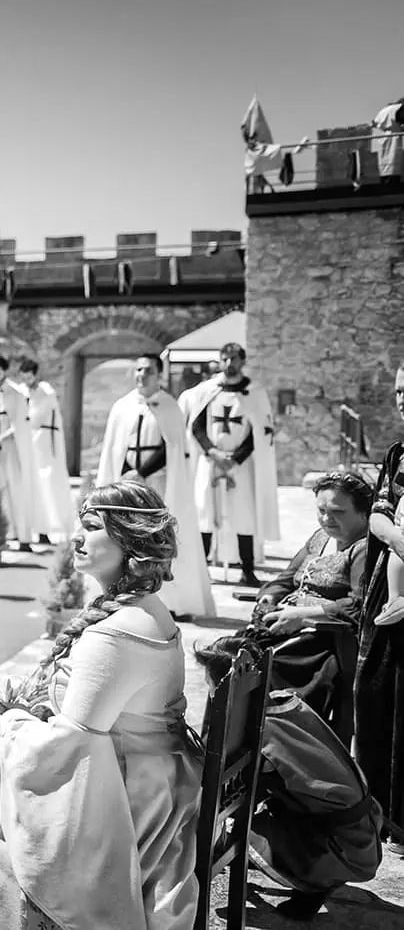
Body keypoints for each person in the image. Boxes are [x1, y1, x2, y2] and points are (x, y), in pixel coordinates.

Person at [0, 482, 201, 930]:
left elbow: (71, 744)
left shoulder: (118, 630)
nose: (76, 538)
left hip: (127, 800)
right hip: (152, 777)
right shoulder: (143, 609)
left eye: (91, 527)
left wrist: (8, 723)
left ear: (130, 541)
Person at [195, 632, 384, 921]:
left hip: (345, 845)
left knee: (235, 833)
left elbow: (233, 792)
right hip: (359, 827)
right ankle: (310, 873)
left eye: (209, 682)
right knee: (252, 820)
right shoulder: (283, 702)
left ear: (223, 686)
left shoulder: (266, 737)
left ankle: (314, 881)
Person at [251, 472, 371, 740]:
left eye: (337, 512)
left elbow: (358, 605)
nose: (327, 519)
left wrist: (302, 616)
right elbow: (286, 579)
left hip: (325, 645)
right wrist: (269, 597)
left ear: (363, 514)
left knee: (270, 669)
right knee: (231, 657)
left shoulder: (364, 549)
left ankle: (280, 749)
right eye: (321, 510)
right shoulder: (320, 537)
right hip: (287, 628)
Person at [96, 353, 215, 620]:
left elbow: (170, 447)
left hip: (158, 483)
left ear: (159, 374)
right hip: (127, 484)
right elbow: (114, 448)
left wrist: (143, 471)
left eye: (148, 370)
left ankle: (169, 600)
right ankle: (124, 595)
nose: (142, 375)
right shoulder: (122, 406)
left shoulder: (169, 407)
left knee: (157, 541)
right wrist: (127, 474)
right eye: (138, 370)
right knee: (127, 540)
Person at [182, 342, 280, 588]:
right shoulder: (207, 390)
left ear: (242, 361)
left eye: (234, 359)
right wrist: (213, 452)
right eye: (225, 358)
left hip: (240, 464)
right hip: (211, 462)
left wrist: (235, 458)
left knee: (243, 514)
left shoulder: (254, 393)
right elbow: (196, 425)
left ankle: (247, 571)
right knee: (205, 512)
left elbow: (260, 431)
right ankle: (202, 570)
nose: (229, 363)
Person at [356, 363, 404, 844]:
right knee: (379, 698)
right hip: (389, 595)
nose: (402, 398)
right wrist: (395, 536)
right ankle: (382, 809)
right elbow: (379, 512)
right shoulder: (398, 453)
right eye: (398, 390)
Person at [0, 356, 36, 550]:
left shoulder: (16, 393)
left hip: (10, 448)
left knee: (16, 491)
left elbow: (19, 424)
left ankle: (23, 537)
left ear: (5, 371)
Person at [18, 358, 75, 543]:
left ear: (35, 375)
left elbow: (35, 417)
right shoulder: (20, 391)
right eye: (24, 377)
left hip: (43, 447)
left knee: (47, 488)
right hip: (27, 446)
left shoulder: (46, 392)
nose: (27, 380)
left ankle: (49, 528)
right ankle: (31, 527)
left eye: (29, 376)